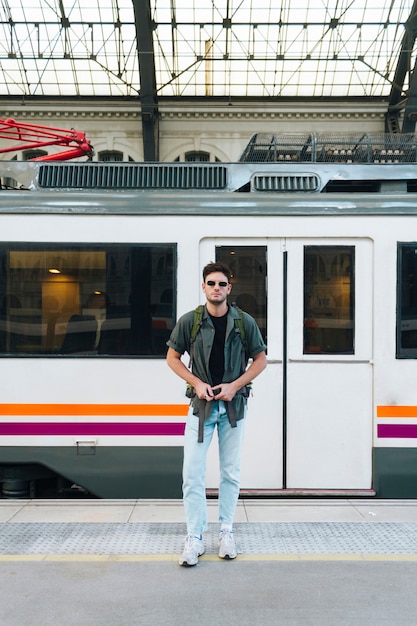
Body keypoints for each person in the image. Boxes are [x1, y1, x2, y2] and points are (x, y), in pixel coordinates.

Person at [166, 261, 267, 566]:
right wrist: (195, 382)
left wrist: (235, 386)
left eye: (222, 284)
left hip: (233, 409)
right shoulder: (191, 321)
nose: (217, 288)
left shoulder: (243, 322)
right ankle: (195, 537)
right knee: (192, 474)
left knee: (230, 473)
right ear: (203, 287)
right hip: (201, 408)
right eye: (211, 283)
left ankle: (226, 531)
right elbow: (172, 357)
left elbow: (260, 360)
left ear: (229, 289)